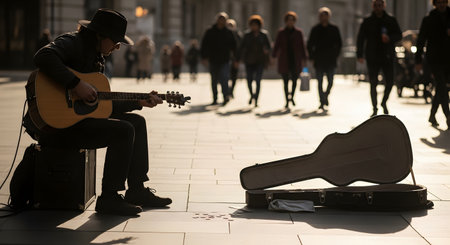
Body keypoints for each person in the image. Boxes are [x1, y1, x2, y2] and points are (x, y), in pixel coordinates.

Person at [30, 9, 172, 216]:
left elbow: (101, 105)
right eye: (115, 41)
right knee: (123, 130)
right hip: (56, 126)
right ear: (99, 34)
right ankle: (109, 198)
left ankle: (137, 190)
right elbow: (43, 56)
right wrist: (75, 84)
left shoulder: (98, 56)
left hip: (77, 121)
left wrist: (139, 102)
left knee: (137, 122)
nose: (117, 47)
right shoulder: (73, 42)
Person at [357, 0, 402, 117]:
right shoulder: (367, 21)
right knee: (373, 83)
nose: (378, 8)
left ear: (384, 6)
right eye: (376, 5)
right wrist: (359, 54)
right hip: (372, 56)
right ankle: (375, 107)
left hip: (387, 56)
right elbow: (361, 38)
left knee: (390, 81)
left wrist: (390, 38)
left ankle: (384, 102)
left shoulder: (391, 20)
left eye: (380, 5)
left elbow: (399, 35)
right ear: (373, 6)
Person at [415, 0, 450, 129]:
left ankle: (432, 114)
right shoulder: (429, 19)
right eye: (439, 2)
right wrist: (418, 60)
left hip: (448, 59)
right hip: (434, 59)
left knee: (442, 88)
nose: (442, 4)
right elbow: (421, 40)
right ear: (435, 4)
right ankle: (448, 116)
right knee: (441, 85)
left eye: (444, 2)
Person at [307, 7, 342, 110]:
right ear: (319, 17)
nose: (324, 18)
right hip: (319, 60)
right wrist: (312, 57)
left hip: (331, 59)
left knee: (330, 81)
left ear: (329, 17)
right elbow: (310, 44)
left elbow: (339, 44)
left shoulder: (334, 29)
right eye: (322, 16)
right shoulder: (315, 29)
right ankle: (321, 101)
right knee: (319, 82)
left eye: (325, 16)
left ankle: (325, 96)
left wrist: (336, 55)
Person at [272, 11, 307, 109]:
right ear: (286, 21)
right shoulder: (281, 32)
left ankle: (292, 96)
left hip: (295, 60)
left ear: (294, 21)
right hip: (284, 60)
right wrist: (273, 57)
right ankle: (287, 100)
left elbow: (302, 46)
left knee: (295, 81)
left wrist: (305, 58)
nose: (290, 22)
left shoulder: (298, 33)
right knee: (285, 81)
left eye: (292, 20)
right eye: (288, 20)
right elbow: (277, 45)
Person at [201, 12, 237, 106]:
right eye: (220, 19)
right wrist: (204, 57)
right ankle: (215, 98)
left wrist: (236, 59)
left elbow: (234, 46)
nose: (222, 21)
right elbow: (204, 45)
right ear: (217, 20)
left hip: (225, 60)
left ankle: (225, 96)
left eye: (224, 20)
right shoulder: (210, 31)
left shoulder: (229, 32)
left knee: (224, 78)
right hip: (213, 59)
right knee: (214, 80)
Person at [237, 15, 271, 107]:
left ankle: (256, 99)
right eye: (252, 25)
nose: (254, 27)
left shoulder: (264, 35)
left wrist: (266, 50)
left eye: (256, 25)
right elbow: (241, 47)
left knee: (258, 80)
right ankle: (252, 95)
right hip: (249, 61)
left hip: (260, 61)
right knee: (249, 80)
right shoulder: (247, 35)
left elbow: (269, 47)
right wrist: (239, 58)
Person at [226, 19, 242, 98]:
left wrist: (238, 60)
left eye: (231, 26)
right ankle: (227, 91)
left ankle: (231, 90)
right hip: (225, 59)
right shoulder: (224, 35)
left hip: (235, 60)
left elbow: (240, 49)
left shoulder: (238, 36)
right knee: (225, 77)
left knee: (234, 77)